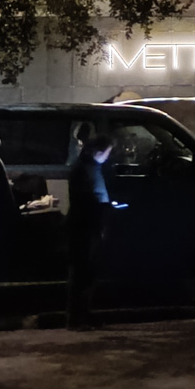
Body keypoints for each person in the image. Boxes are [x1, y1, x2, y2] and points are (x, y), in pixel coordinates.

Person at [66, 122, 114, 328]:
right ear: (97, 151)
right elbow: (85, 200)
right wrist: (100, 214)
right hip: (85, 226)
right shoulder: (84, 169)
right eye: (107, 153)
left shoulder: (89, 166)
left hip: (88, 225)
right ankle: (78, 318)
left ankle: (84, 314)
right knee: (82, 273)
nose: (108, 157)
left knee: (86, 272)